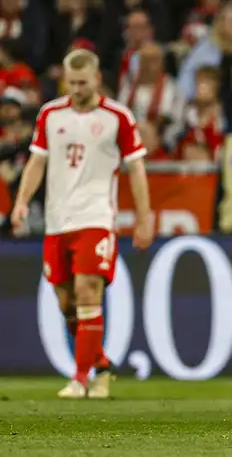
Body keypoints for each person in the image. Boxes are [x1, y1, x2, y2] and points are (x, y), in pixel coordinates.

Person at [11, 49, 154, 399]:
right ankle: (101, 364)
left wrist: (144, 216)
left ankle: (81, 378)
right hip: (58, 220)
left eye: (82, 83)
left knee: (88, 291)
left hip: (96, 217)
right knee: (66, 303)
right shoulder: (50, 114)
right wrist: (22, 202)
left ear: (97, 79)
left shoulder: (116, 117)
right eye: (70, 83)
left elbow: (136, 168)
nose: (76, 89)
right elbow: (36, 162)